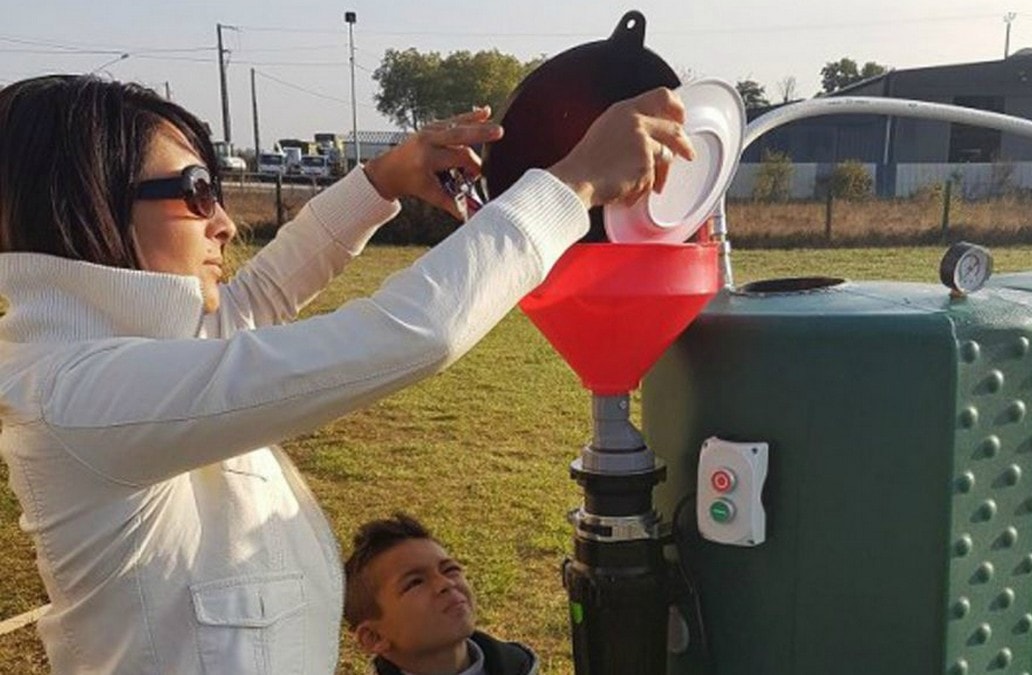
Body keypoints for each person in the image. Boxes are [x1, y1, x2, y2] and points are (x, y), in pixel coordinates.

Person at [0, 74, 694, 674]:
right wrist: (572, 186)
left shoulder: (124, 355)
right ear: (82, 202)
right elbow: (405, 334)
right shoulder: (75, 392)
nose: (224, 224)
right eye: (196, 189)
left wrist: (382, 179)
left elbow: (255, 301)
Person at [344, 512, 535, 675]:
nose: (445, 583)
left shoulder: (519, 666)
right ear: (374, 637)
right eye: (415, 582)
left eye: (449, 569)